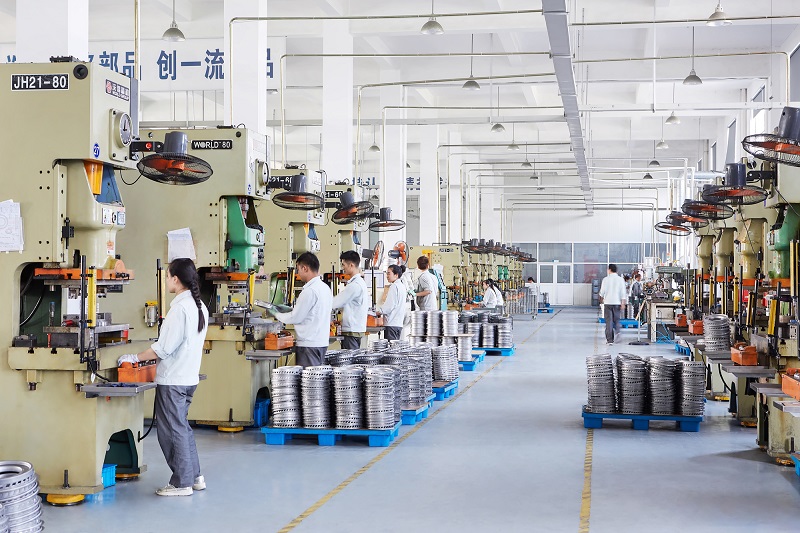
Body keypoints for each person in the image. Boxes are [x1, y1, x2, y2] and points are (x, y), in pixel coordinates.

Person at [117, 258, 209, 497]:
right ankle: (195, 476)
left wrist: (135, 357)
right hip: (188, 378)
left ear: (175, 279)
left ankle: (181, 483)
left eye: (167, 276)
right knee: (182, 428)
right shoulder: (199, 306)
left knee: (172, 432)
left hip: (174, 380)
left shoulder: (180, 309)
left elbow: (163, 349)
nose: (167, 280)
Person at [272, 252, 333, 367]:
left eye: (298, 269)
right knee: (315, 376)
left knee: (308, 378)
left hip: (309, 346)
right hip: (321, 343)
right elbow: (311, 312)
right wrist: (290, 310)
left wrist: (276, 314)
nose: (298, 273)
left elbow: (295, 318)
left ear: (305, 268)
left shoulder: (309, 291)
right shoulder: (325, 288)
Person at [330, 250, 368, 349]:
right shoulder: (359, 283)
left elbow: (337, 302)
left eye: (343, 265)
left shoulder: (355, 285)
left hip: (352, 332)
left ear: (351, 265)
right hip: (355, 330)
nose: (342, 268)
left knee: (349, 358)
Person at [599, 263, 627, 345]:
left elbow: (602, 292)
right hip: (617, 303)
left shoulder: (605, 279)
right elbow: (623, 293)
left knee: (609, 322)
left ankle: (610, 340)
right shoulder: (620, 280)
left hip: (608, 303)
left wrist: (601, 301)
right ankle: (618, 332)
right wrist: (623, 303)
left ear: (609, 270)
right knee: (617, 320)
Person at [376, 264, 405, 340]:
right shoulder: (402, 286)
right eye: (386, 274)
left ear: (396, 275)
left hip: (391, 324)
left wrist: (379, 312)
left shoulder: (394, 286)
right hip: (398, 324)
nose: (387, 276)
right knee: (395, 346)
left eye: (389, 273)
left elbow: (389, 305)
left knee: (390, 346)